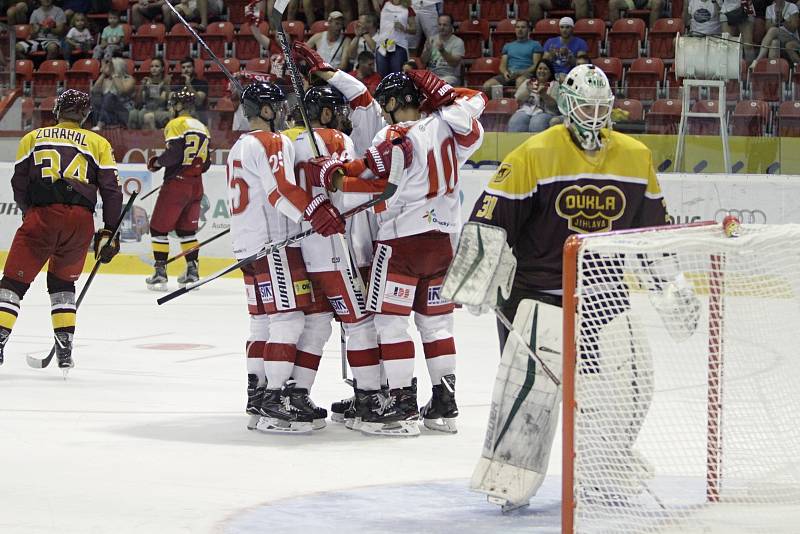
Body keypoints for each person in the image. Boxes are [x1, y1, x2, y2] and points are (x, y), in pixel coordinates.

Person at [463, 64, 673, 511]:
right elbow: (489, 221)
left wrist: (669, 284)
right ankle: (509, 475)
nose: (595, 115)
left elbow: (654, 233)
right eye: (587, 106)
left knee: (624, 389)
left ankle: (602, 468)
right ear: (565, 105)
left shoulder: (636, 156)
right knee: (528, 391)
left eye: (603, 107)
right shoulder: (532, 154)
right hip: (536, 296)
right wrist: (477, 277)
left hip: (603, 295)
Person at [308, 70, 486, 436]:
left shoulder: (394, 135)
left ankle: (401, 403)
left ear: (392, 103)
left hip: (402, 242)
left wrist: (337, 177)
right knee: (437, 325)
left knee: (390, 323)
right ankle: (444, 404)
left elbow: (374, 181)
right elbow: (476, 101)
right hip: (442, 242)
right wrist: (441, 90)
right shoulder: (453, 129)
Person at [227, 82, 346, 434]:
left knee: (262, 323)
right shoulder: (272, 140)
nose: (283, 112)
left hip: (247, 246)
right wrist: (315, 210)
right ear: (264, 110)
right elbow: (280, 190)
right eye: (277, 106)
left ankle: (258, 395)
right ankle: (276, 399)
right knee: (289, 320)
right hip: (273, 243)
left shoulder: (239, 145)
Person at [0, 89, 123, 370]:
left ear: (57, 111)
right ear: (85, 115)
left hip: (42, 216)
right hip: (80, 222)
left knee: (12, 285)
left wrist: (29, 210)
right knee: (63, 285)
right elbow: (112, 192)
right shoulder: (97, 142)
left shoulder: (33, 137)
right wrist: (109, 232)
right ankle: (65, 350)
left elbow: (19, 183)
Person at [144, 88, 211, 291]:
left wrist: (156, 162)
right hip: (197, 184)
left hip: (177, 183)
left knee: (158, 228)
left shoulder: (176, 124)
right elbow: (206, 163)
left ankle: (160, 273)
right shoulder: (203, 128)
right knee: (186, 230)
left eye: (174, 104)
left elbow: (174, 153)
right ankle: (192, 272)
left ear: (179, 106)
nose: (172, 108)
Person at [483, 20, 543, 94]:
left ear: (528, 29)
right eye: (517, 27)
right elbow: (502, 66)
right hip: (510, 74)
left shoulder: (535, 45)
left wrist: (520, 72)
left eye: (523, 27)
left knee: (520, 82)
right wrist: (505, 73)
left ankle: (518, 105)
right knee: (487, 86)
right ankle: (496, 104)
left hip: (527, 74)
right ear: (515, 29)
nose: (520, 29)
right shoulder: (508, 46)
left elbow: (536, 65)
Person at [508, 58, 559, 133]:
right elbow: (518, 100)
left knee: (536, 123)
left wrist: (544, 95)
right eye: (540, 68)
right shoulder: (528, 82)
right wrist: (527, 91)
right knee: (515, 121)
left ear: (550, 72)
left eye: (545, 69)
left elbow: (555, 106)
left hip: (545, 113)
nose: (542, 71)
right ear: (536, 70)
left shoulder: (555, 85)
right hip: (526, 111)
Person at [90, 57, 136, 130]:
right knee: (95, 99)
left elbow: (122, 91)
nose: (109, 68)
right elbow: (94, 91)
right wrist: (103, 74)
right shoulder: (106, 80)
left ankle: (100, 124)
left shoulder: (129, 79)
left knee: (109, 96)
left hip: (123, 111)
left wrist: (114, 74)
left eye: (111, 66)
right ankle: (98, 123)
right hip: (108, 114)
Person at [751, 0, 800, 67]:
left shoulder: (792, 7)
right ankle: (774, 71)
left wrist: (783, 21)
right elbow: (767, 28)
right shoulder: (769, 8)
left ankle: (758, 60)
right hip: (778, 39)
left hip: (792, 39)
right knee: (774, 42)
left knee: (773, 30)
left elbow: (793, 28)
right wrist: (776, 22)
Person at [375, 0, 417, 77]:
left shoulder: (408, 9)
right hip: (382, 44)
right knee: (382, 75)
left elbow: (414, 30)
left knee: (397, 75)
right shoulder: (385, 3)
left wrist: (403, 28)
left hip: (398, 45)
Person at [421, 14, 465, 86]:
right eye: (440, 24)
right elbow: (423, 61)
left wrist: (442, 51)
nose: (442, 27)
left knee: (439, 85)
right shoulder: (431, 39)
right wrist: (427, 51)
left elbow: (454, 63)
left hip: (450, 76)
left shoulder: (458, 42)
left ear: (451, 26)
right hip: (432, 75)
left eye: (445, 25)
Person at [128, 58, 172, 130]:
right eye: (152, 66)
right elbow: (138, 103)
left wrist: (152, 87)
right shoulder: (146, 82)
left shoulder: (165, 83)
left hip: (160, 110)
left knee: (146, 115)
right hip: (146, 109)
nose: (154, 69)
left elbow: (162, 101)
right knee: (132, 113)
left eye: (156, 66)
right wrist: (141, 87)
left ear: (162, 68)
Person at [172, 57, 210, 123]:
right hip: (179, 114)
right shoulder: (177, 85)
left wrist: (188, 84)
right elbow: (173, 101)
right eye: (183, 68)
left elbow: (199, 101)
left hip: (197, 114)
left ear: (193, 68)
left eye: (188, 67)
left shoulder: (202, 83)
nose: (186, 70)